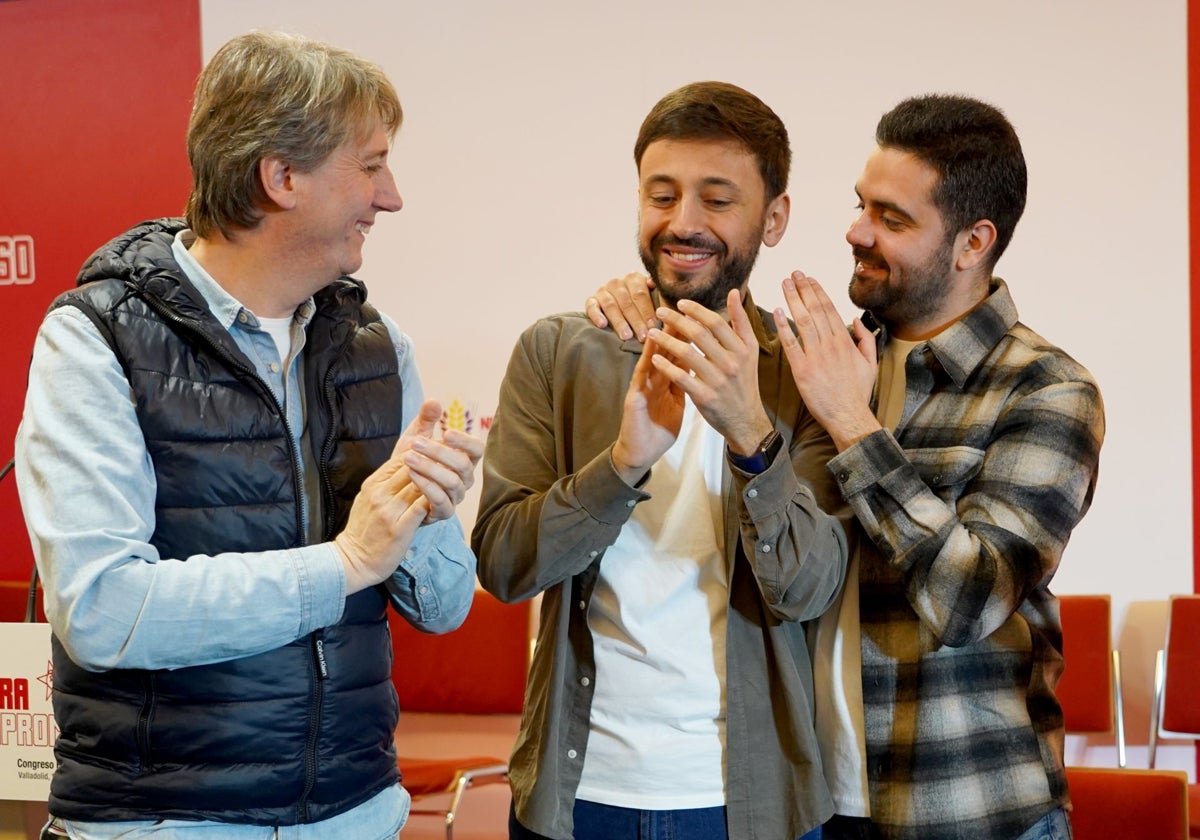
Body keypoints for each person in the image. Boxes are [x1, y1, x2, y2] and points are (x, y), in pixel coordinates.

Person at [589, 93, 1105, 840]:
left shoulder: (1047, 388)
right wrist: (641, 296)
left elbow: (969, 600)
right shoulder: (821, 351)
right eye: (862, 205)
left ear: (972, 243)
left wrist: (854, 426)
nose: (856, 232)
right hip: (809, 802)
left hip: (962, 808)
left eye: (893, 220)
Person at [14, 31, 483, 840]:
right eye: (370, 165)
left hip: (357, 813)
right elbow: (100, 609)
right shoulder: (94, 340)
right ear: (281, 176)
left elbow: (440, 610)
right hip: (163, 825)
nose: (392, 196)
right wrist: (344, 564)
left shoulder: (377, 347)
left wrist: (432, 508)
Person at [472, 81, 850, 840]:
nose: (684, 223)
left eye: (717, 199)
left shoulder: (812, 374)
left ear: (774, 218)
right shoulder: (559, 351)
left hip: (751, 801)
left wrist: (750, 433)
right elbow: (505, 567)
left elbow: (808, 585)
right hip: (577, 797)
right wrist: (622, 462)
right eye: (662, 194)